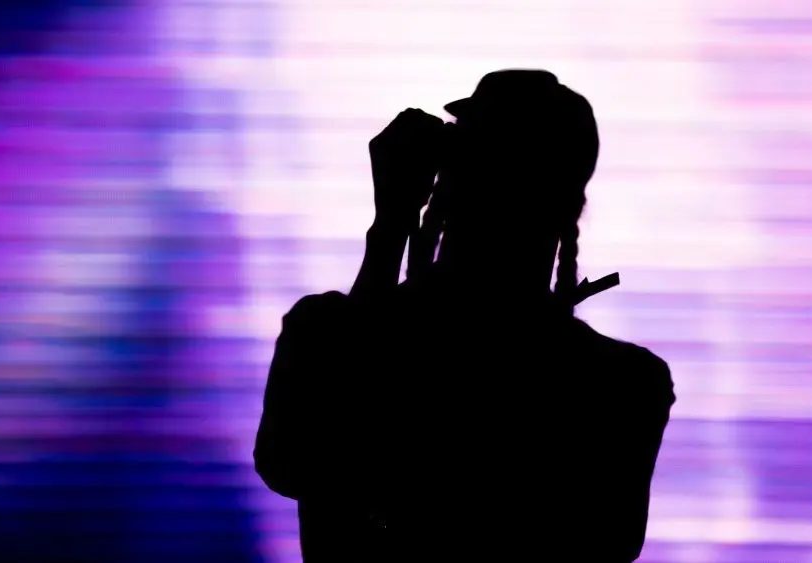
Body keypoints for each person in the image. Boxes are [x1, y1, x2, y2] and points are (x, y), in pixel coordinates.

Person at [254, 69, 676, 562]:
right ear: (572, 204)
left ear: (443, 182)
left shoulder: (323, 334)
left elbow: (300, 460)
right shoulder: (622, 384)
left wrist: (390, 229)